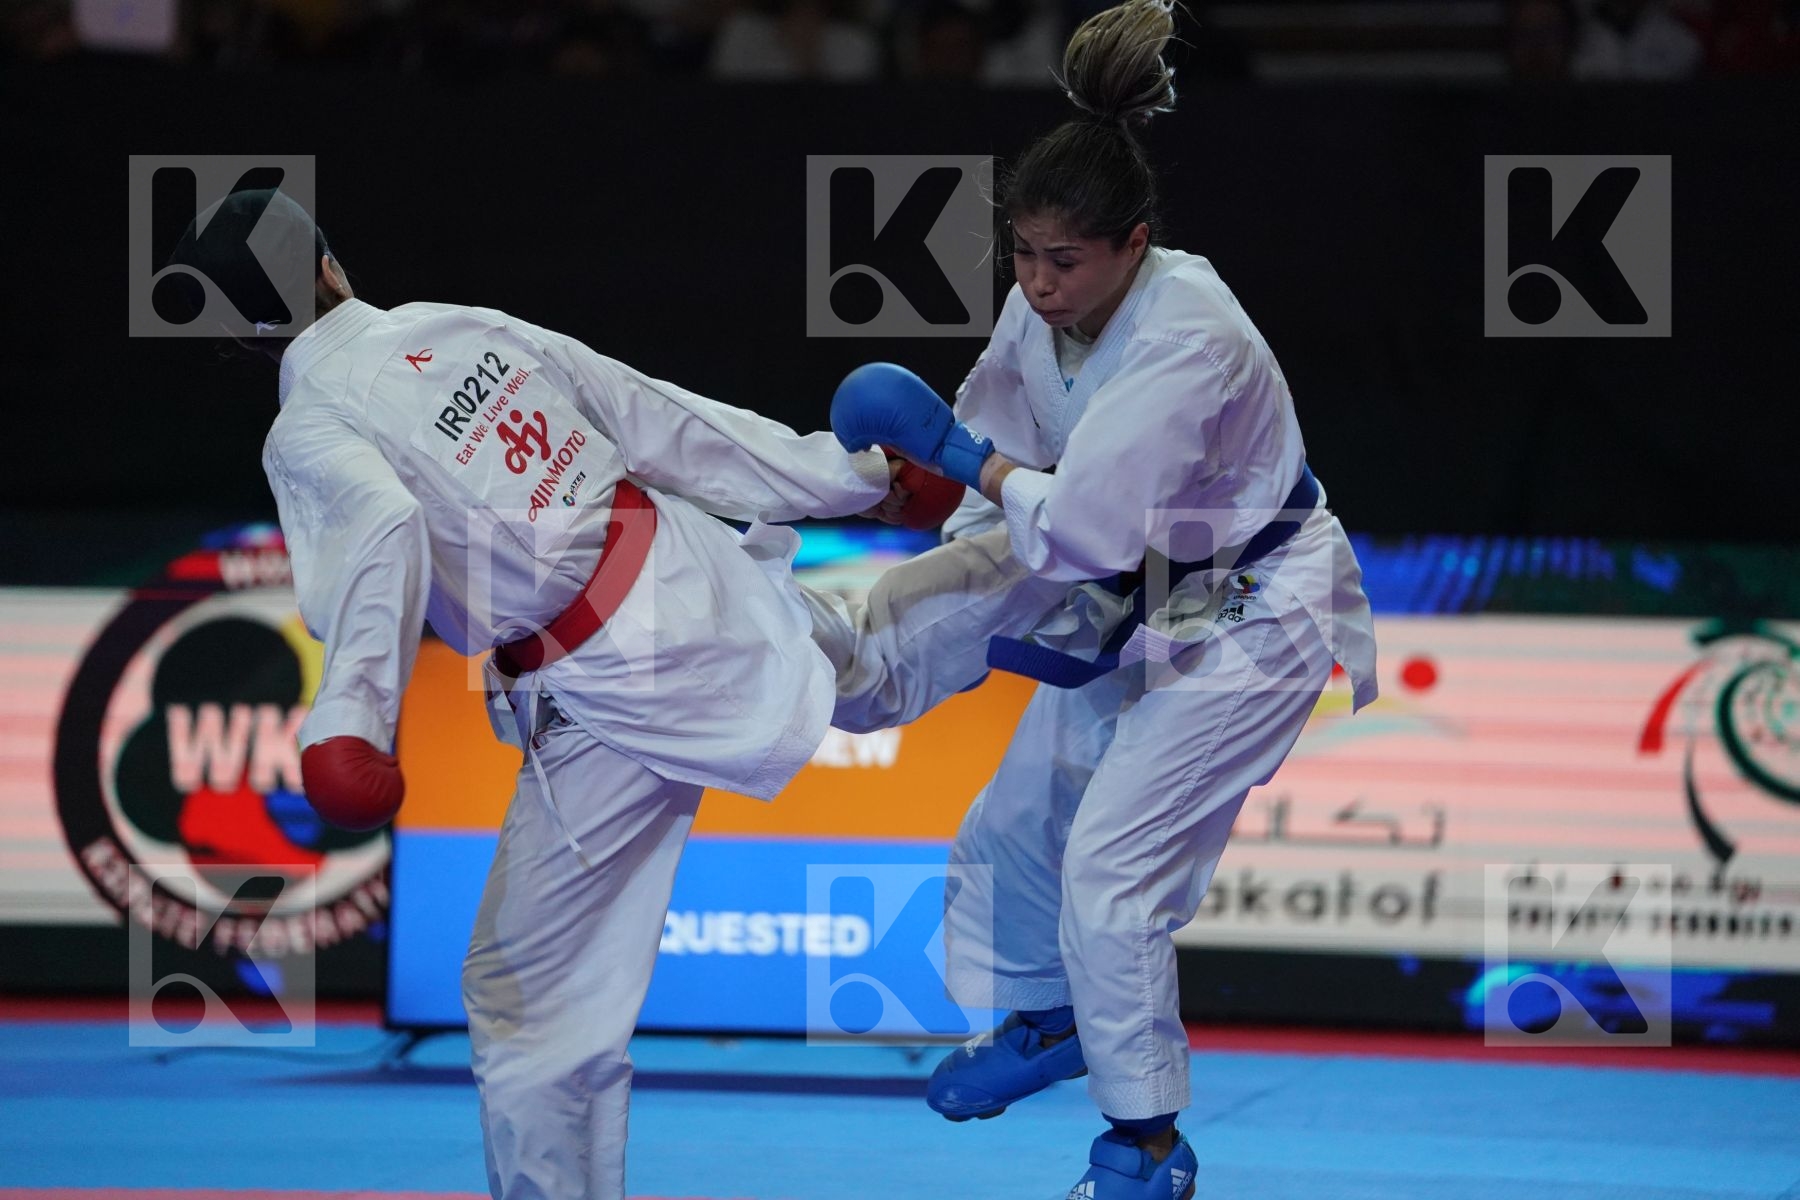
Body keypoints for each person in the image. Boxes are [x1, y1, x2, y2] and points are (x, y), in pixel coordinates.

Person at [163, 188, 1072, 1200]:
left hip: (614, 687)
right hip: (688, 566)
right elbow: (652, 412)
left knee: (530, 1004)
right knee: (862, 661)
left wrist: (351, 721)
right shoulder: (453, 325)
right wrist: (849, 477)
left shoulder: (309, 425)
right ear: (329, 263)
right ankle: (1069, 552)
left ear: (239, 338)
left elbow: (378, 532)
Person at [829, 1, 1379, 1195]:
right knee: (1006, 832)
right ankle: (1050, 1020)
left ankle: (1146, 1146)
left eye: (1062, 260)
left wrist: (954, 457)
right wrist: (952, 568)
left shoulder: (1191, 336)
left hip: (1256, 613)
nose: (1035, 283)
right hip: (1141, 602)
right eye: (1019, 254)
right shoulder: (1046, 316)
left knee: (1112, 868)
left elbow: (1072, 516)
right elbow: (997, 462)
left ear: (1133, 243)